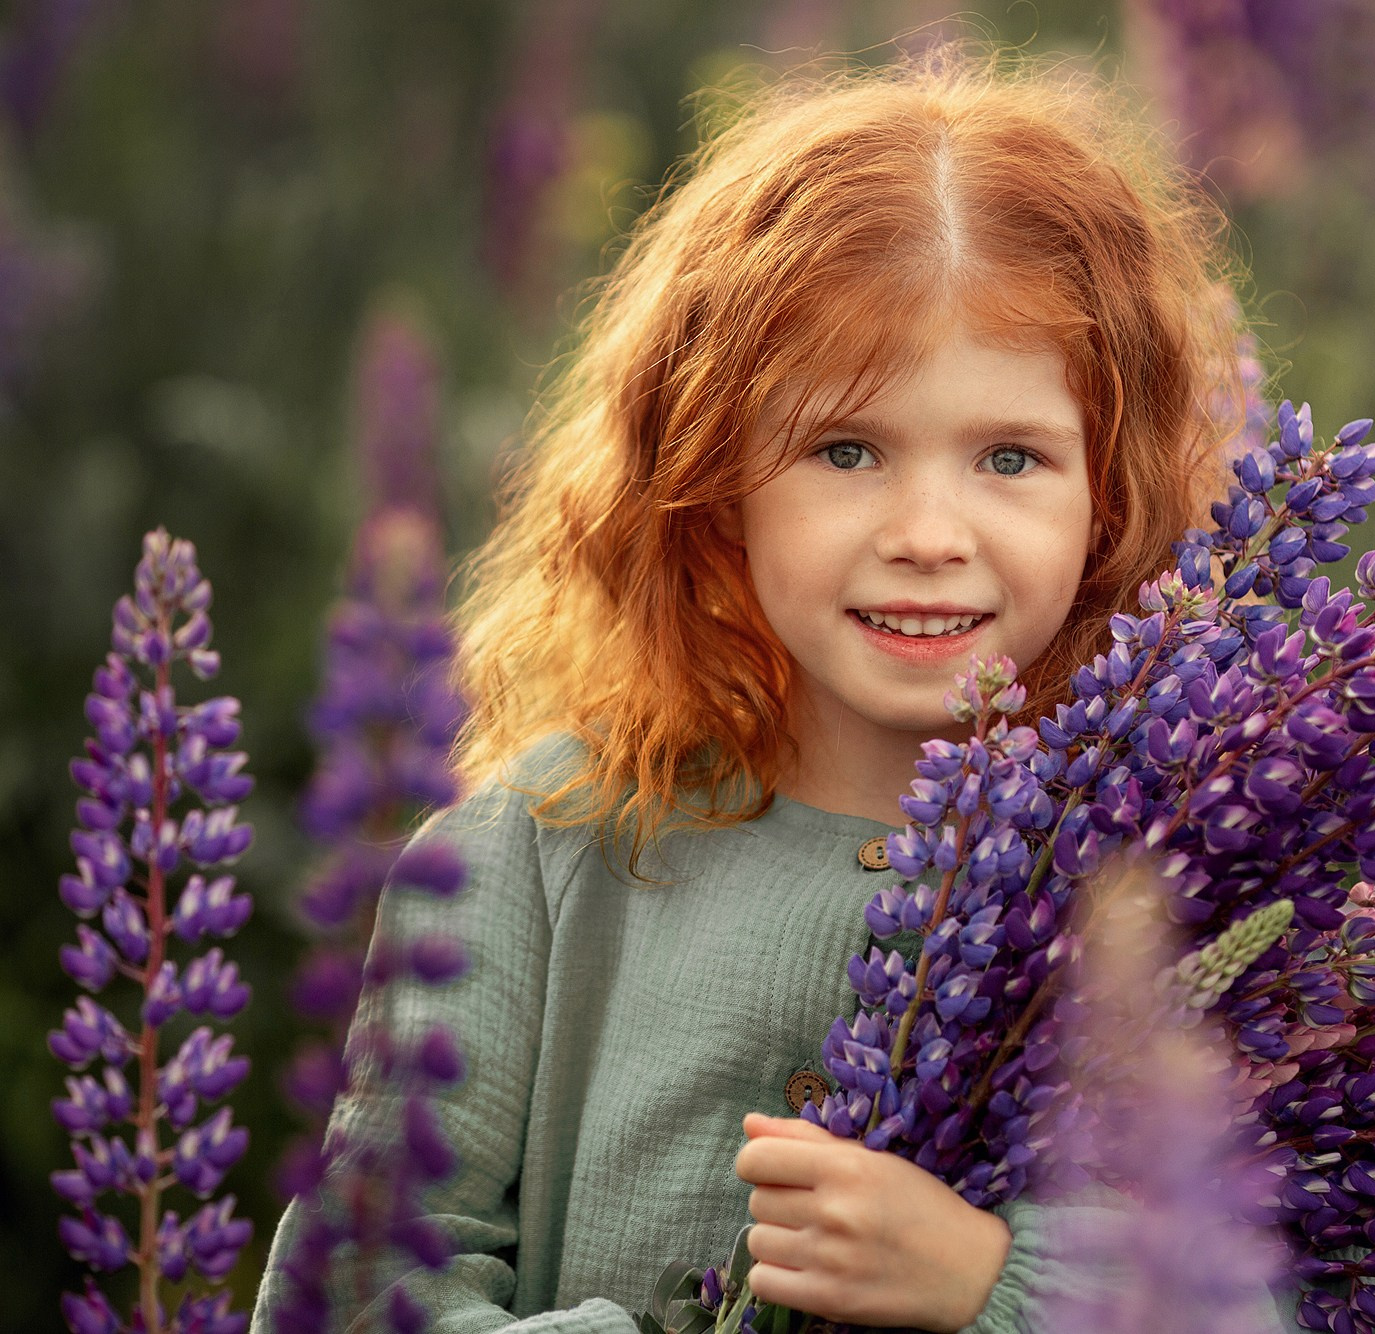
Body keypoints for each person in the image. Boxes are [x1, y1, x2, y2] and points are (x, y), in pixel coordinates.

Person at [251, 44, 1295, 1333]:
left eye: (1011, 457)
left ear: (1111, 495)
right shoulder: (533, 857)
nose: (929, 530)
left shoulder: (1161, 882)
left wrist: (989, 1281)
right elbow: (355, 1292)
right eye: (845, 449)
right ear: (710, 474)